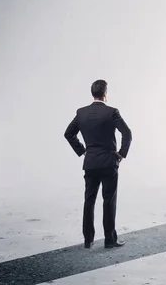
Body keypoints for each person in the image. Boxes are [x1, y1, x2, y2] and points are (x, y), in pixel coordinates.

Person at [64, 79, 132, 249]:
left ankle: (88, 240)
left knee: (89, 201)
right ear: (105, 93)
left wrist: (82, 151)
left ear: (92, 93)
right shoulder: (112, 112)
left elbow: (68, 133)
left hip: (91, 163)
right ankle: (109, 239)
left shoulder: (81, 113)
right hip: (109, 162)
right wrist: (121, 154)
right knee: (109, 201)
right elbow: (127, 133)